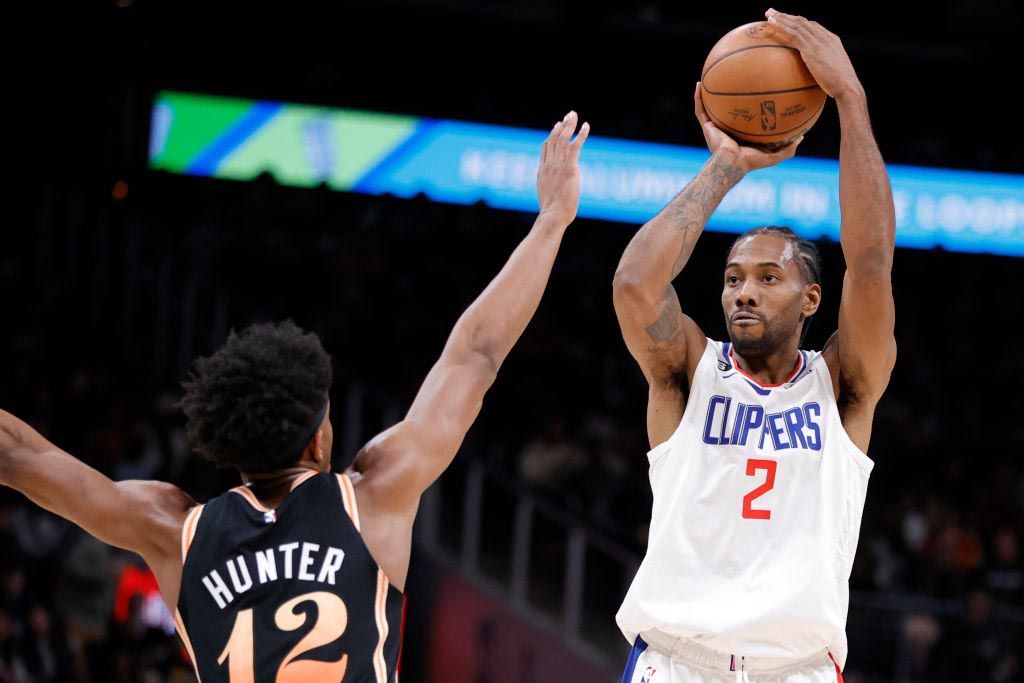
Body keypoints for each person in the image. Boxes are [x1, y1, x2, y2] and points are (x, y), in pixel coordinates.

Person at [0, 111, 590, 683]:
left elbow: (23, 458)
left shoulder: (174, 528)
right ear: (318, 436)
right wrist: (551, 222)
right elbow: (475, 355)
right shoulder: (376, 494)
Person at [612, 10, 895, 682]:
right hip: (678, 660)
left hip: (794, 667)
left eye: (769, 278)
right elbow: (633, 283)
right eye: (734, 277)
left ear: (810, 300)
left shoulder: (845, 385)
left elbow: (873, 261)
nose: (744, 291)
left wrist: (851, 100)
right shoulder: (685, 371)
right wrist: (726, 167)